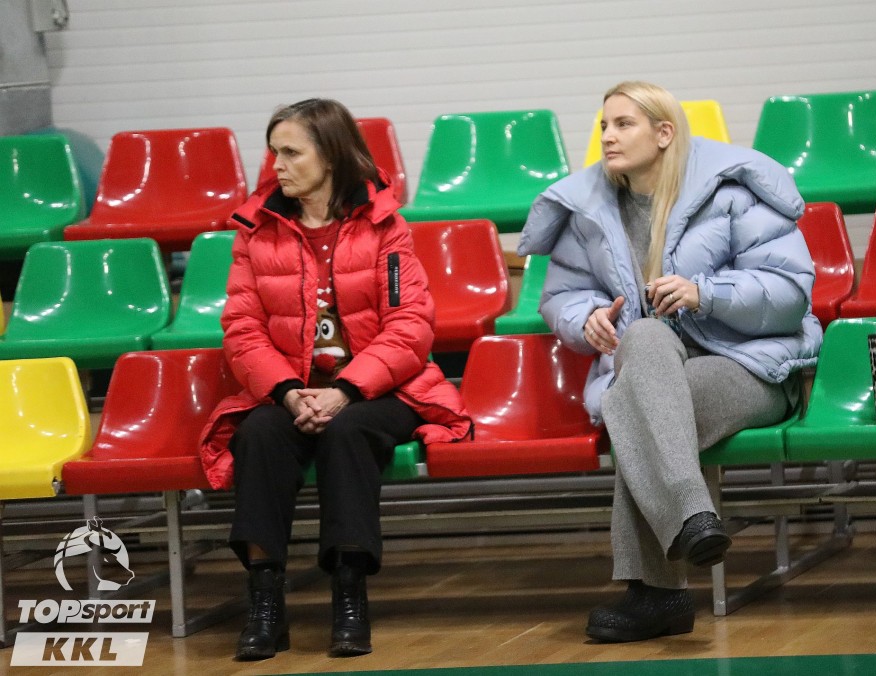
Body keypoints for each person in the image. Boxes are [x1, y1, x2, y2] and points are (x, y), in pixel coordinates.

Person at [518, 81, 822, 643]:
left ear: (663, 133)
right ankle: (693, 514)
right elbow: (562, 296)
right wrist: (587, 319)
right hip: (652, 362)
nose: (608, 137)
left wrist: (706, 294)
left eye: (623, 124)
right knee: (644, 349)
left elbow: (788, 293)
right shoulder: (590, 209)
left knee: (634, 407)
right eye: (603, 126)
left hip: (750, 365)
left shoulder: (732, 192)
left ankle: (658, 595)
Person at [200, 98, 472, 660]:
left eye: (291, 152)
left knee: (348, 432)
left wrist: (346, 390)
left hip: (382, 389)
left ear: (329, 155)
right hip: (293, 390)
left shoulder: (385, 226)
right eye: (274, 152)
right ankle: (265, 601)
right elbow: (242, 328)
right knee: (259, 434)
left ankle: (350, 595)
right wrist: (285, 392)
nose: (277, 165)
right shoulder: (256, 232)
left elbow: (410, 325)